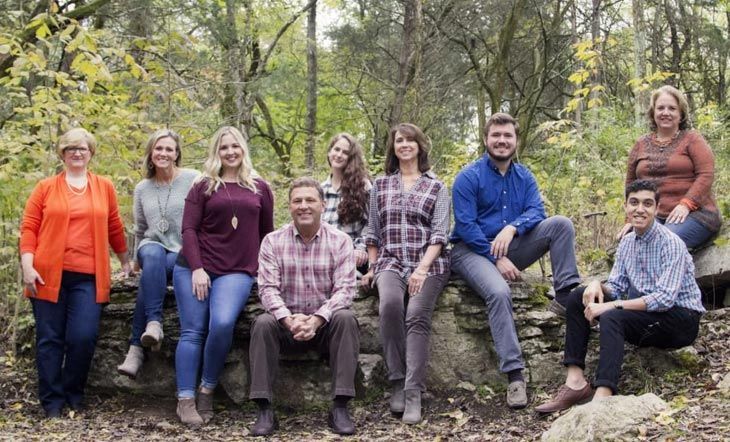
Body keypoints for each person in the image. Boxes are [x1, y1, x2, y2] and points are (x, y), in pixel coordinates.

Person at [536, 180, 705, 414]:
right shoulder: (627, 242)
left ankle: (603, 394)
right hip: (646, 316)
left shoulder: (672, 243)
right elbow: (616, 286)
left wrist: (612, 306)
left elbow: (664, 299)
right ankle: (575, 383)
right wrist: (597, 285)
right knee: (577, 297)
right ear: (626, 206)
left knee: (613, 316)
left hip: (680, 320)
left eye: (647, 204)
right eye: (634, 203)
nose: (640, 209)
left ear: (656, 209)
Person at [450, 112, 581, 410]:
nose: (502, 140)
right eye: (496, 135)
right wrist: (496, 260)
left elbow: (538, 212)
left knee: (561, 224)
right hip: (471, 251)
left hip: (510, 247)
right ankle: (515, 376)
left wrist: (512, 228)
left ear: (516, 141)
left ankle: (565, 298)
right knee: (498, 292)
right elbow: (467, 227)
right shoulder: (468, 177)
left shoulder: (524, 176)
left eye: (508, 136)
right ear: (486, 139)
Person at [20, 127, 131, 418]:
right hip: (46, 274)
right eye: (71, 149)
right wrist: (27, 266)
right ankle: (52, 402)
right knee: (49, 338)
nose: (77, 153)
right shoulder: (45, 187)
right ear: (63, 154)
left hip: (89, 277)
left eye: (82, 148)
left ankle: (73, 392)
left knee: (83, 336)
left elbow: (114, 227)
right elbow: (29, 228)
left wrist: (126, 262)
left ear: (91, 152)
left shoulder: (104, 186)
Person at [173, 126, 274, 425]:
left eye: (235, 146)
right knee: (192, 330)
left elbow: (266, 233)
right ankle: (185, 399)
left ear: (243, 148)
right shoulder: (202, 185)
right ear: (216, 152)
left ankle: (207, 388)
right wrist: (197, 268)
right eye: (223, 147)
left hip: (238, 270)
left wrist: (268, 270)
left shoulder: (260, 187)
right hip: (194, 268)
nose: (230, 152)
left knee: (222, 323)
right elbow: (188, 229)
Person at [249, 177, 359, 436]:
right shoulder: (273, 242)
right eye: (297, 200)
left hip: (324, 328)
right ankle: (264, 410)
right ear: (289, 206)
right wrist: (288, 320)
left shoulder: (341, 241)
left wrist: (317, 320)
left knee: (345, 318)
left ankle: (340, 407)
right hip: (286, 327)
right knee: (262, 323)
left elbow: (345, 289)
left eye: (310, 200)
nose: (304, 206)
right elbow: (267, 289)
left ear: (322, 204)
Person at [362, 123, 450, 424]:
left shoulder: (437, 186)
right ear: (394, 147)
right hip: (391, 262)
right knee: (389, 305)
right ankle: (397, 381)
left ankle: (413, 392)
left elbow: (439, 234)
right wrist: (372, 267)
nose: (405, 145)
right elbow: (372, 231)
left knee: (416, 314)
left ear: (420, 146)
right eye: (399, 140)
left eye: (410, 140)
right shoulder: (381, 185)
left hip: (429, 263)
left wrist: (422, 269)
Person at [117, 129, 199, 379]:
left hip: (181, 250)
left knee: (153, 274)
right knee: (151, 256)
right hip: (151, 246)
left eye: (169, 149)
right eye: (158, 148)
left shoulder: (194, 179)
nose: (163, 153)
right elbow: (141, 229)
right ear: (151, 154)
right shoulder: (143, 188)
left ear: (177, 154)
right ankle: (153, 323)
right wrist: (132, 260)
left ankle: (135, 348)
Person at [618, 85, 721, 249]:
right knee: (628, 243)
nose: (666, 112)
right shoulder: (640, 144)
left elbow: (706, 175)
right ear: (653, 113)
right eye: (660, 108)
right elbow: (631, 184)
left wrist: (686, 204)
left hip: (694, 214)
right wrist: (630, 218)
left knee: (663, 242)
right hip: (653, 214)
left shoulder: (692, 139)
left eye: (672, 108)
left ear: (680, 114)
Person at [321, 133, 372, 272]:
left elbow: (372, 223)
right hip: (321, 257)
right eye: (336, 149)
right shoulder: (320, 189)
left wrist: (361, 248)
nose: (339, 155)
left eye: (345, 152)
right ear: (329, 151)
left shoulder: (363, 186)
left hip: (351, 257)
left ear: (351, 158)